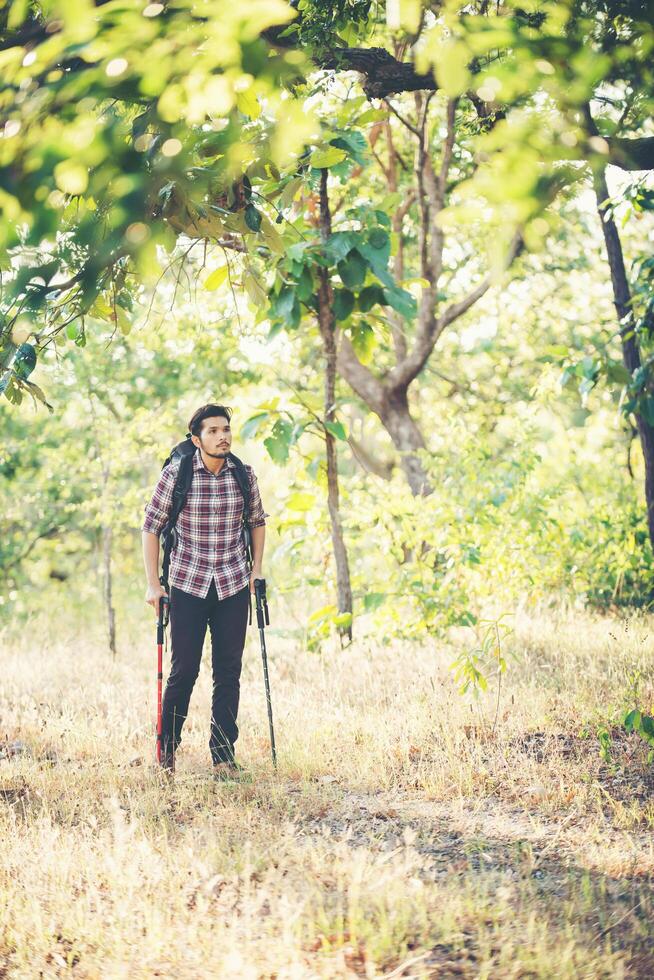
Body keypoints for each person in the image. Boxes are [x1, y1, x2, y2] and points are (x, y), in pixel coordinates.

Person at [141, 403, 269, 777]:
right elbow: (151, 526)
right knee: (184, 671)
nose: (222, 436)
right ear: (196, 439)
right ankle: (166, 752)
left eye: (226, 429)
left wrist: (256, 570)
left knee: (228, 672)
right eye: (212, 431)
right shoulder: (176, 475)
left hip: (231, 583)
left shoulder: (243, 476)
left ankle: (224, 757)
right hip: (187, 584)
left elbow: (257, 521)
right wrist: (153, 585)